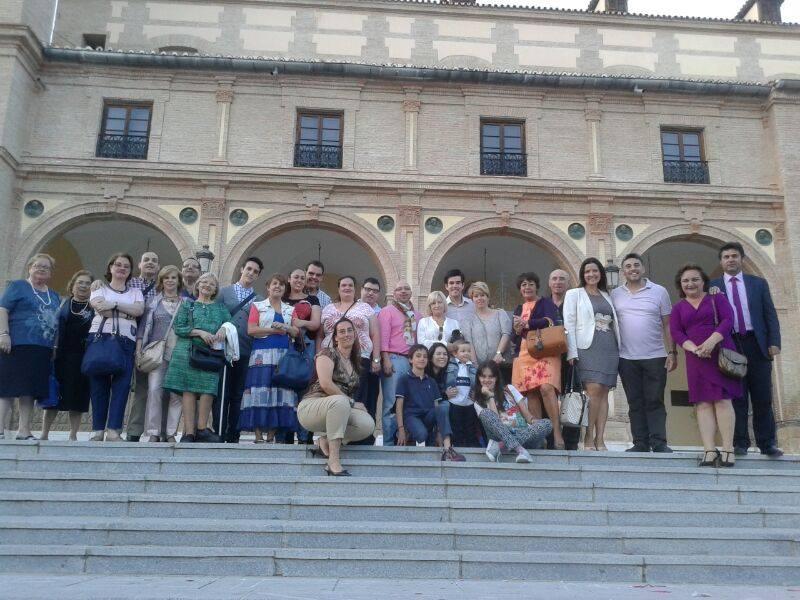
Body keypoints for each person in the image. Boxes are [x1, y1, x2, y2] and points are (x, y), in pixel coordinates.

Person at [710, 242, 783, 458]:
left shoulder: (758, 284)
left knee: (762, 396)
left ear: (742, 259)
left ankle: (767, 443)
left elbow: (770, 314)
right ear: (721, 261)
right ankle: (739, 442)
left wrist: (774, 341)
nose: (730, 259)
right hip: (730, 345)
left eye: (734, 256)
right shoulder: (714, 287)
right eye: (726, 257)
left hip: (757, 344)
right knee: (736, 396)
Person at [670, 264, 742, 467]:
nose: (690, 283)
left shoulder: (716, 298)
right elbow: (676, 332)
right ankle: (709, 450)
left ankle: (728, 449)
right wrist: (693, 349)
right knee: (702, 403)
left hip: (719, 353)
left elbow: (728, 319)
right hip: (696, 358)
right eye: (685, 280)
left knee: (722, 401)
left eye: (695, 279)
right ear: (680, 285)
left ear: (703, 282)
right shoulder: (678, 308)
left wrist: (711, 342)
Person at [612, 254, 677, 453]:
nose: (633, 269)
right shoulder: (615, 294)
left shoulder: (659, 291)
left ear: (643, 268)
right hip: (626, 358)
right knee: (634, 401)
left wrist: (672, 351)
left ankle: (659, 443)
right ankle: (640, 443)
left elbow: (668, 324)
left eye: (636, 265)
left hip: (655, 356)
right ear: (623, 271)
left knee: (655, 400)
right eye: (628, 266)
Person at [298, 318, 375, 476]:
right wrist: (352, 403)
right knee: (340, 402)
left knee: (367, 423)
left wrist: (350, 404)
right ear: (335, 337)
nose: (346, 334)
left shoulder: (355, 363)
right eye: (342, 331)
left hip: (338, 407)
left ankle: (324, 441)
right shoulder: (327, 353)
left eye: (349, 330)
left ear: (355, 334)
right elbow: (326, 384)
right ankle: (333, 461)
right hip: (312, 407)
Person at [163, 273, 230, 443]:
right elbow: (179, 327)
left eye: (212, 284)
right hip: (188, 352)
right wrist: (199, 332)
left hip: (211, 354)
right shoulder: (188, 305)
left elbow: (230, 324)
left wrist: (224, 328)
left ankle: (202, 429)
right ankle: (189, 433)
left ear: (215, 289)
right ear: (198, 285)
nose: (207, 285)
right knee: (189, 390)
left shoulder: (220, 308)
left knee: (208, 389)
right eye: (204, 282)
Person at [0, 254, 61, 440]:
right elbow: (2, 309)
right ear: (30, 268)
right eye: (37, 266)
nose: (41, 269)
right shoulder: (18, 286)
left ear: (51, 273)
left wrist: (54, 346)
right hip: (16, 344)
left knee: (30, 390)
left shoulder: (54, 295)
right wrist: (4, 334)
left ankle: (24, 430)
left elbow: (56, 323)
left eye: (46, 267)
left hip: (42, 348)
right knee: (7, 387)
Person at [564, 259, 620, 452]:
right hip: (586, 347)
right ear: (582, 274)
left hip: (609, 346)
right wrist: (571, 351)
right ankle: (588, 436)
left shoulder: (608, 295)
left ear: (601, 274)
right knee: (594, 390)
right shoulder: (574, 294)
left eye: (595, 271)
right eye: (587, 271)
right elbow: (569, 324)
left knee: (604, 392)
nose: (591, 275)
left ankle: (600, 439)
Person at [87, 253, 144, 441]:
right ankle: (97, 430)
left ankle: (113, 430)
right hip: (100, 338)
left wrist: (114, 304)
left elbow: (138, 311)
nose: (122, 268)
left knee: (122, 386)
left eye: (126, 266)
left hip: (126, 341)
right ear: (110, 267)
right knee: (98, 385)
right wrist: (126, 313)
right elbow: (99, 308)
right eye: (118, 265)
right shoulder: (99, 288)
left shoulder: (136, 292)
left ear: (130, 272)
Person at [238, 274, 300, 443]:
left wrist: (286, 327)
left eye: (281, 285)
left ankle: (271, 435)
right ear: (268, 287)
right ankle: (258, 435)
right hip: (261, 354)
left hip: (283, 356)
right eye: (274, 284)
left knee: (280, 392)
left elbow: (296, 332)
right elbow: (251, 330)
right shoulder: (257, 306)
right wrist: (274, 330)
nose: (278, 287)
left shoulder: (290, 309)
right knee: (259, 390)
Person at [319, 276, 381, 444]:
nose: (347, 288)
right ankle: (336, 436)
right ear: (338, 289)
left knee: (361, 396)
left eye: (351, 285)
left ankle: (362, 436)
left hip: (361, 357)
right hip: (332, 358)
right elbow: (320, 335)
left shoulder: (365, 308)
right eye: (343, 285)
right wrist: (319, 356)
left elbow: (375, 334)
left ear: (355, 289)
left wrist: (376, 359)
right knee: (337, 397)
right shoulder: (328, 309)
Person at [511, 272, 564, 450]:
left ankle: (557, 433)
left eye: (531, 284)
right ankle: (539, 435)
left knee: (547, 388)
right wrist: (517, 330)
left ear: (537, 286)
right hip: (525, 353)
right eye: (524, 284)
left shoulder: (545, 302)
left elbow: (549, 322)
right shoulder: (519, 308)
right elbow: (515, 336)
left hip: (546, 351)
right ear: (520, 289)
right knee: (532, 392)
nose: (527, 287)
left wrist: (527, 324)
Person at [214, 257, 264, 443]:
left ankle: (233, 434)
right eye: (249, 269)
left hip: (246, 351)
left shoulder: (259, 300)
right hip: (224, 350)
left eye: (255, 271)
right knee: (222, 393)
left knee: (238, 395)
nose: (251, 273)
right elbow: (216, 315)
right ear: (241, 269)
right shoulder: (224, 292)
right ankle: (218, 431)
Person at [41, 270, 94, 441]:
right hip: (60, 355)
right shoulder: (63, 303)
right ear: (73, 284)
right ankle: (44, 433)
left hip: (83, 357)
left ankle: (73, 435)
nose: (83, 286)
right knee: (53, 395)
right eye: (80, 282)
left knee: (78, 396)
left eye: (87, 283)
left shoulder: (94, 306)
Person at [136, 266, 185, 443]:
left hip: (179, 354)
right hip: (157, 353)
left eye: (174, 277)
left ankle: (171, 432)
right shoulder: (153, 303)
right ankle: (153, 431)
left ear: (179, 281)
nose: (170, 281)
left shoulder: (186, 303)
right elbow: (143, 328)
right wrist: (139, 349)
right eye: (166, 278)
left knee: (176, 394)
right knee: (154, 390)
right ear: (162, 281)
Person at [472, 361, 553, 463]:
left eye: (491, 376)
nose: (487, 380)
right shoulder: (478, 402)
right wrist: (490, 396)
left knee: (547, 423)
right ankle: (519, 450)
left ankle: (500, 447)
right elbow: (497, 423)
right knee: (486, 413)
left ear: (496, 378)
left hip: (524, 434)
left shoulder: (509, 389)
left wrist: (538, 427)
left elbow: (529, 418)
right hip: (499, 436)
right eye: (483, 376)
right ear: (478, 378)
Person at [395, 344, 465, 461]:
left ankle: (448, 449)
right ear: (410, 359)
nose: (422, 359)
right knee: (422, 435)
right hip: (412, 416)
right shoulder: (404, 379)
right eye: (418, 356)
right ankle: (409, 433)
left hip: (428, 416)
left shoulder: (431, 381)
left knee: (442, 407)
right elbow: (399, 405)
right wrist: (401, 429)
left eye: (425, 357)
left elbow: (437, 406)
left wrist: (439, 432)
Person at [378, 280, 421, 446]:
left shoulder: (417, 315)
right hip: (395, 359)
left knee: (408, 403)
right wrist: (386, 359)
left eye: (407, 289)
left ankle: (405, 441)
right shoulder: (387, 311)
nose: (403, 291)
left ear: (411, 292)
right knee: (391, 402)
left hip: (413, 362)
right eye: (399, 289)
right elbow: (383, 337)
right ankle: (389, 443)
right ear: (393, 294)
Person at [125, 251, 160, 442]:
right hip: (126, 339)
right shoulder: (130, 284)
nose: (150, 263)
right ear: (139, 265)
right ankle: (123, 429)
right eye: (146, 260)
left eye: (154, 261)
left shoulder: (161, 288)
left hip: (149, 344)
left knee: (145, 387)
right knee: (128, 387)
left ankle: (144, 431)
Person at [547, 269, 580, 451]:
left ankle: (572, 442)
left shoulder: (574, 303)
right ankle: (550, 439)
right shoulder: (543, 304)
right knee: (548, 396)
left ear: (568, 283)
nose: (558, 282)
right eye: (554, 279)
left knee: (571, 398)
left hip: (570, 358)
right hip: (548, 358)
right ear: (549, 283)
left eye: (562, 279)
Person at [459, 281, 512, 365]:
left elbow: (506, 334)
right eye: (476, 296)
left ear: (488, 297)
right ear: (472, 299)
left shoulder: (500, 314)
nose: (479, 298)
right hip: (479, 367)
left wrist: (498, 354)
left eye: (482, 295)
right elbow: (469, 343)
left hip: (500, 364)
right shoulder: (467, 320)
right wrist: (475, 365)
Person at [444, 340, 482, 447]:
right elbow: (444, 381)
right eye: (463, 351)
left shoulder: (473, 368)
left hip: (469, 403)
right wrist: (445, 392)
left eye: (469, 351)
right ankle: (458, 446)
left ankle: (472, 447)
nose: (466, 353)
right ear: (455, 354)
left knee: (470, 427)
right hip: (454, 403)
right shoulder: (450, 366)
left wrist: (476, 395)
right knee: (456, 428)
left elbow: (478, 384)